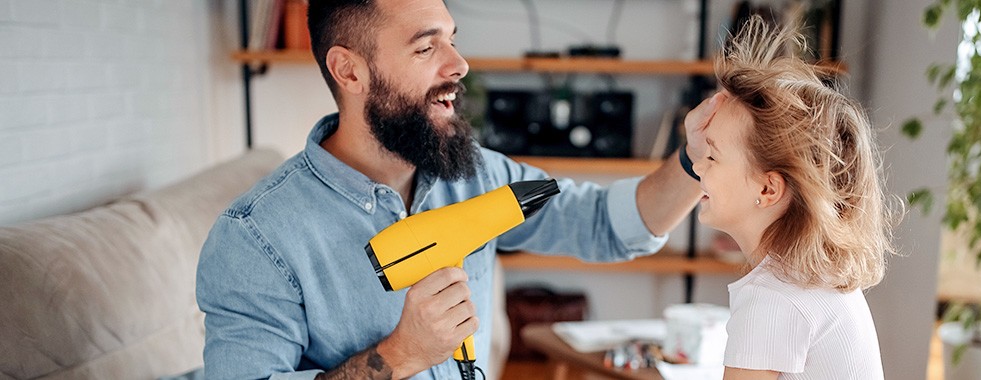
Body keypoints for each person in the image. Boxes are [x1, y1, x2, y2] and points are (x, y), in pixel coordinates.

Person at [195, 0, 717, 379]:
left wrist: (697, 156)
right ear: (348, 71)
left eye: (451, 38)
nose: (459, 65)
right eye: (427, 47)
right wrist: (402, 354)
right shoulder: (255, 238)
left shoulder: (473, 176)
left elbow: (605, 224)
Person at [688, 16, 894, 380]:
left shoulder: (771, 298)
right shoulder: (806, 277)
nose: (698, 166)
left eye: (712, 156)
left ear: (768, 190)